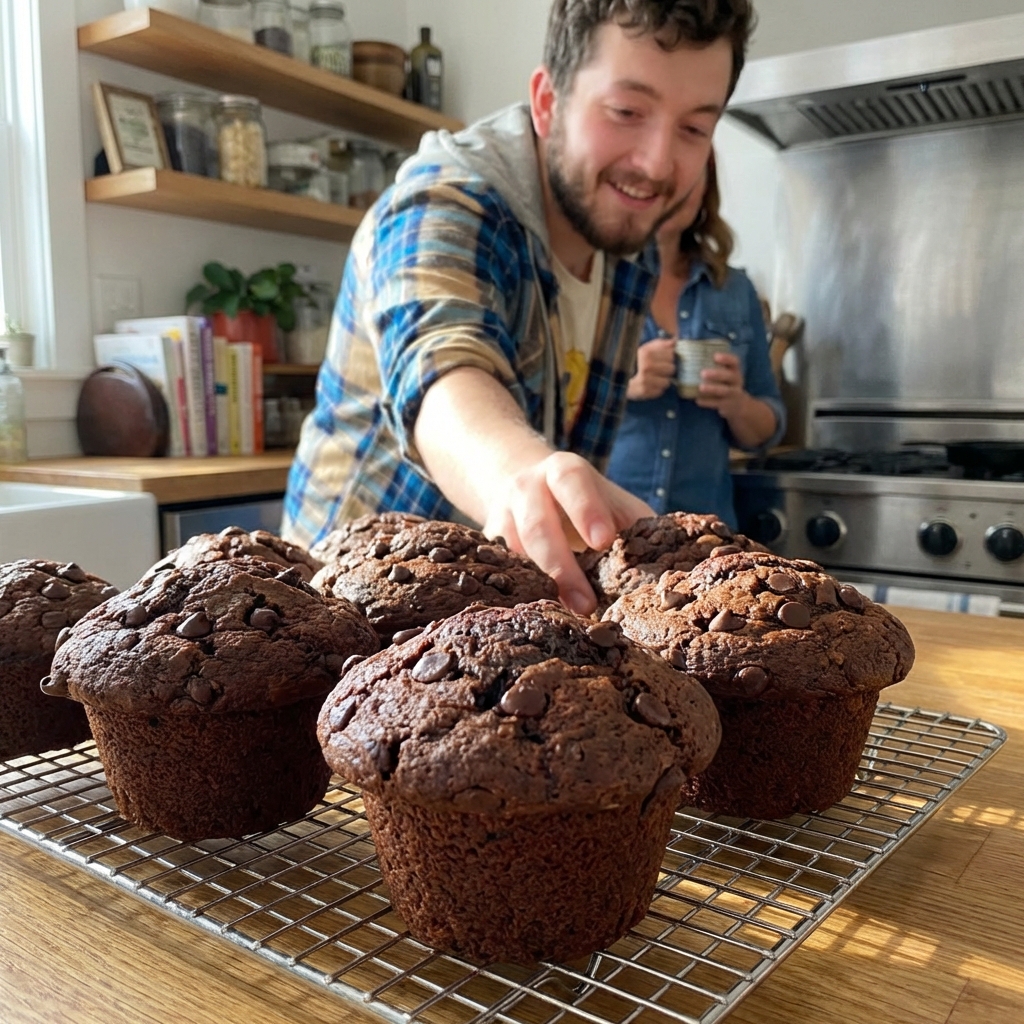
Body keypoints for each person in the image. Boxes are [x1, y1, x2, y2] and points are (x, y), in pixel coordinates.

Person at [283, 0, 755, 614]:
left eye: (694, 127)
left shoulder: (626, 244)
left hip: (489, 623)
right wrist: (517, 473)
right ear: (547, 100)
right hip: (341, 621)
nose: (658, 163)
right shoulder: (444, 201)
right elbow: (442, 362)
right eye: (626, 111)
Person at [606, 152, 784, 527]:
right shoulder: (594, 278)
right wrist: (624, 384)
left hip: (706, 538)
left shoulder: (735, 289)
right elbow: (544, 415)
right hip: (607, 526)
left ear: (705, 190)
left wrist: (737, 403)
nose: (669, 194)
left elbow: (769, 426)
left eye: (684, 181)